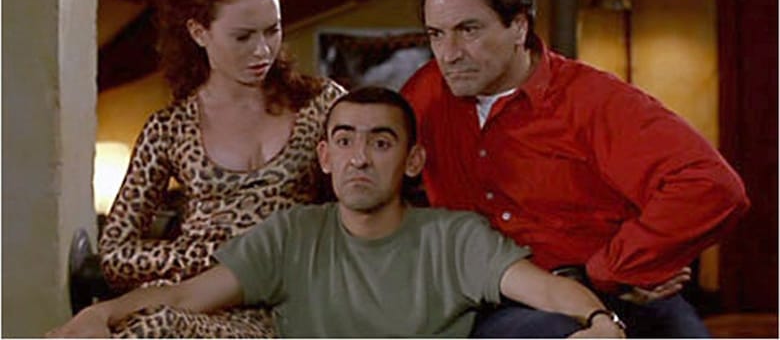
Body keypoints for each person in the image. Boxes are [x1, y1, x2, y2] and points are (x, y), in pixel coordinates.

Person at [49, 87, 626, 338]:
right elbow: (184, 298)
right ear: (324, 157)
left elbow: (547, 290)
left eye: (381, 142)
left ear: (412, 160)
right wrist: (99, 316)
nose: (360, 158)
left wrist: (604, 324)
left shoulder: (453, 237)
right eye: (345, 141)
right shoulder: (293, 234)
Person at [400, 0, 750, 338]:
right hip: (499, 300)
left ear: (519, 26)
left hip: (616, 291)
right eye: (436, 34)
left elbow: (712, 185)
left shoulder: (593, 100)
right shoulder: (424, 95)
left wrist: (620, 267)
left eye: (468, 30)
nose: (449, 54)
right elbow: (365, 177)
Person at [95, 0, 344, 337]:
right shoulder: (170, 128)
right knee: (150, 323)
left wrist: (272, 259)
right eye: (243, 36)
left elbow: (366, 210)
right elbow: (114, 254)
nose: (262, 50)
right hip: (195, 296)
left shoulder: (323, 104)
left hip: (288, 303)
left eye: (272, 30)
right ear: (199, 33)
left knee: (158, 325)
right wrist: (215, 256)